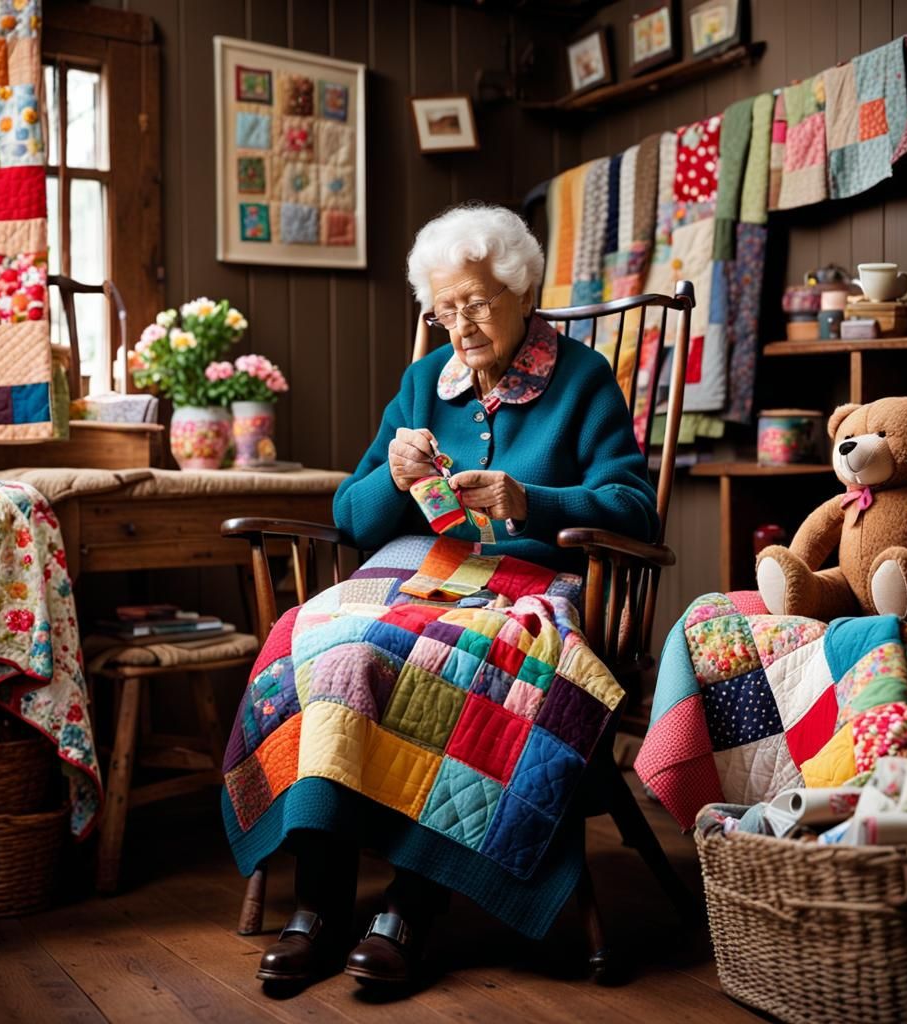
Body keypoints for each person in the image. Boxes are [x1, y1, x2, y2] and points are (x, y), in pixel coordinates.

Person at [228, 202, 658, 990]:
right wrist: (391, 475)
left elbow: (635, 509)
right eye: (444, 306)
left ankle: (411, 906)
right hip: (409, 574)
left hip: (527, 584)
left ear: (523, 291)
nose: (459, 323)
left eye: (477, 303)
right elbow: (350, 520)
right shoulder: (426, 381)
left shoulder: (582, 379)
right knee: (326, 638)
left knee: (449, 665)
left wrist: (532, 499)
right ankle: (318, 904)